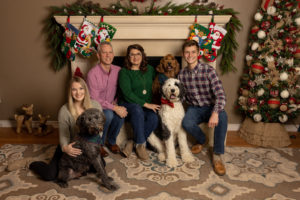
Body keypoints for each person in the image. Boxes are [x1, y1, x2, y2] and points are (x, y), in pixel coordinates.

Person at [29, 76, 102, 181]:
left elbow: (100, 130)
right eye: (74, 89)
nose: (78, 92)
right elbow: (64, 135)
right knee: (50, 175)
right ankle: (31, 163)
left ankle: (77, 169)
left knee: (99, 166)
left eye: (81, 88)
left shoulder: (96, 105)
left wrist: (93, 147)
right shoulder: (64, 110)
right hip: (70, 146)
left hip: (88, 146)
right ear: (70, 92)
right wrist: (65, 148)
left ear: (85, 89)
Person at [178, 40, 228, 176]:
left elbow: (221, 96)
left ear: (198, 53)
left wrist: (215, 113)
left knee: (222, 116)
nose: (190, 55)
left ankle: (217, 155)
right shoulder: (181, 75)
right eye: (187, 52)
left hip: (211, 106)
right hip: (194, 108)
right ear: (183, 54)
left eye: (193, 52)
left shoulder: (209, 70)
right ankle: (201, 140)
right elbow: (181, 98)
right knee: (186, 122)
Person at [118, 44, 160, 161]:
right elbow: (127, 94)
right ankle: (141, 145)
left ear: (142, 56)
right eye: (132, 54)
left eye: (138, 54)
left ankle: (132, 142)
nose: (135, 57)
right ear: (128, 57)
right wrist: (146, 104)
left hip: (145, 104)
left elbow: (156, 86)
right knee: (137, 109)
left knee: (154, 118)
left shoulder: (150, 70)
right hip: (128, 104)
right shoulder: (124, 72)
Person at [87, 42, 127, 157]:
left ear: (113, 55)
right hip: (97, 106)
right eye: (104, 52)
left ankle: (111, 141)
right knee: (108, 115)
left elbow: (123, 88)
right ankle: (99, 144)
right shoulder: (92, 74)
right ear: (98, 56)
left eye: (110, 52)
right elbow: (94, 99)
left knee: (122, 113)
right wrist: (114, 107)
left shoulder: (119, 70)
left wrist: (118, 105)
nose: (108, 55)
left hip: (112, 104)